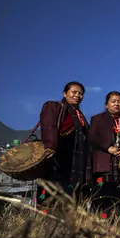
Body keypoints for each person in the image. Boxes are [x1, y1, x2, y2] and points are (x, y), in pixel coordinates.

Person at [37, 81, 90, 212]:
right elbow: (49, 126)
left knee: (70, 195)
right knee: (51, 190)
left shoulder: (81, 116)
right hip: (56, 157)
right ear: (65, 93)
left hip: (75, 161)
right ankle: (44, 226)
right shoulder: (54, 106)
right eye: (74, 92)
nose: (77, 95)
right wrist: (50, 145)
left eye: (80, 93)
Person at [88, 91, 120, 223]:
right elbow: (92, 138)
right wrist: (108, 147)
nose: (117, 104)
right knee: (103, 202)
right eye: (113, 101)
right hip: (104, 167)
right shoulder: (97, 119)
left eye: (119, 101)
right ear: (106, 104)